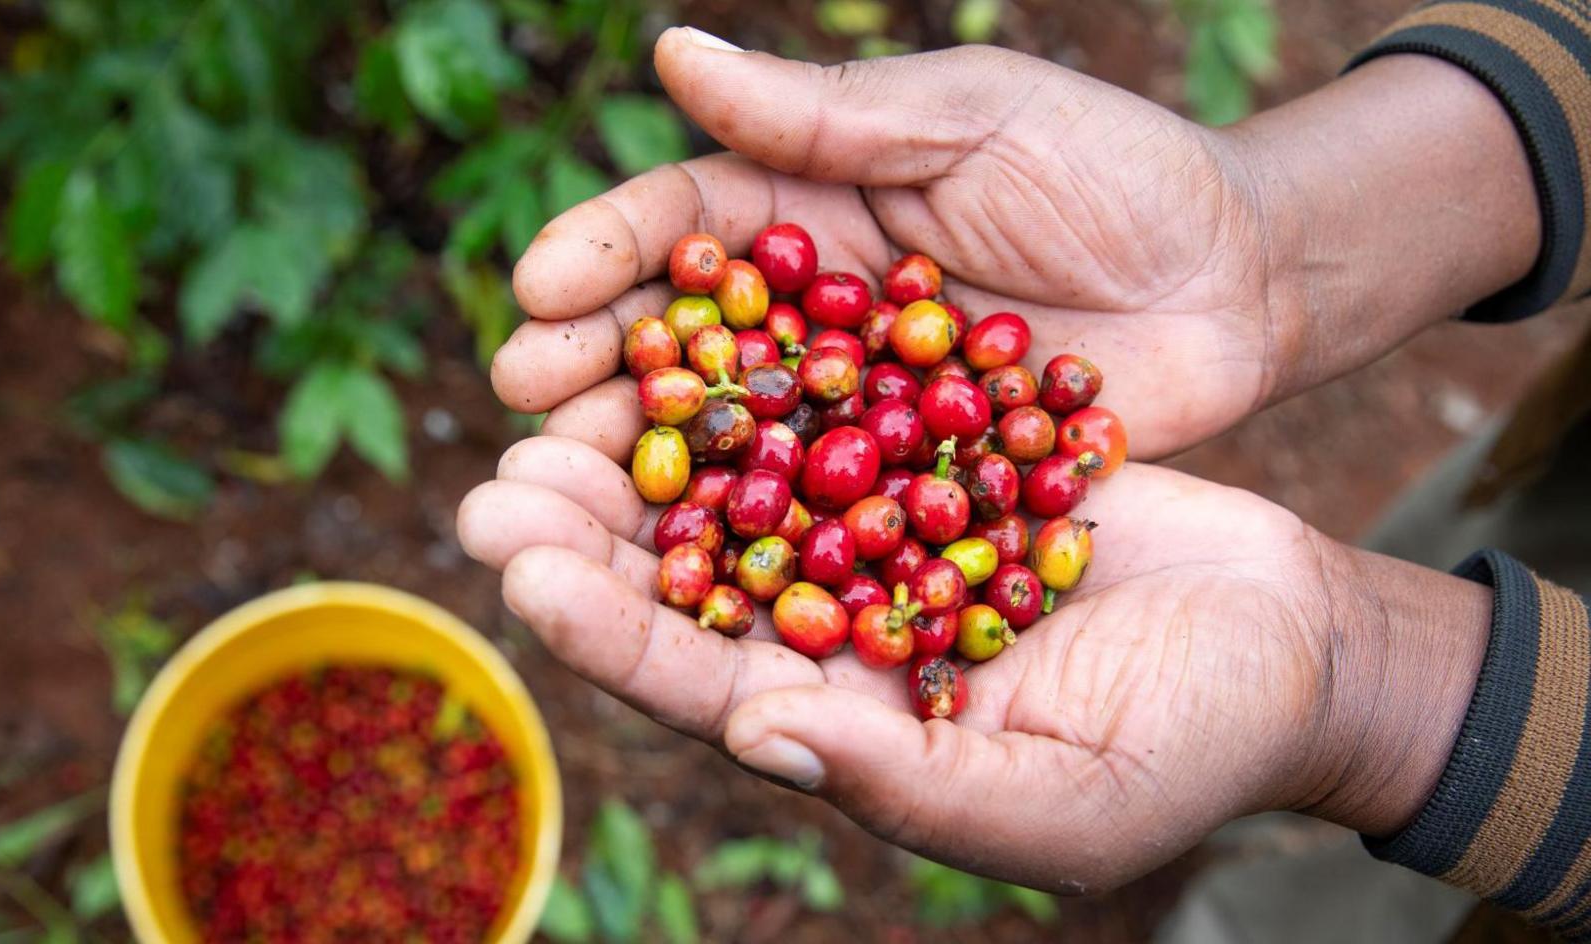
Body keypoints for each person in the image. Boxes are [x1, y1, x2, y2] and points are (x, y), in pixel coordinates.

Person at [458, 7, 1591, 937]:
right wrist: (1264, 229)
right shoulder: (881, 438)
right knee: (1483, 519)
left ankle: (1260, 881)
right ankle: (1253, 851)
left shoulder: (922, 493)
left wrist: (1374, 694)